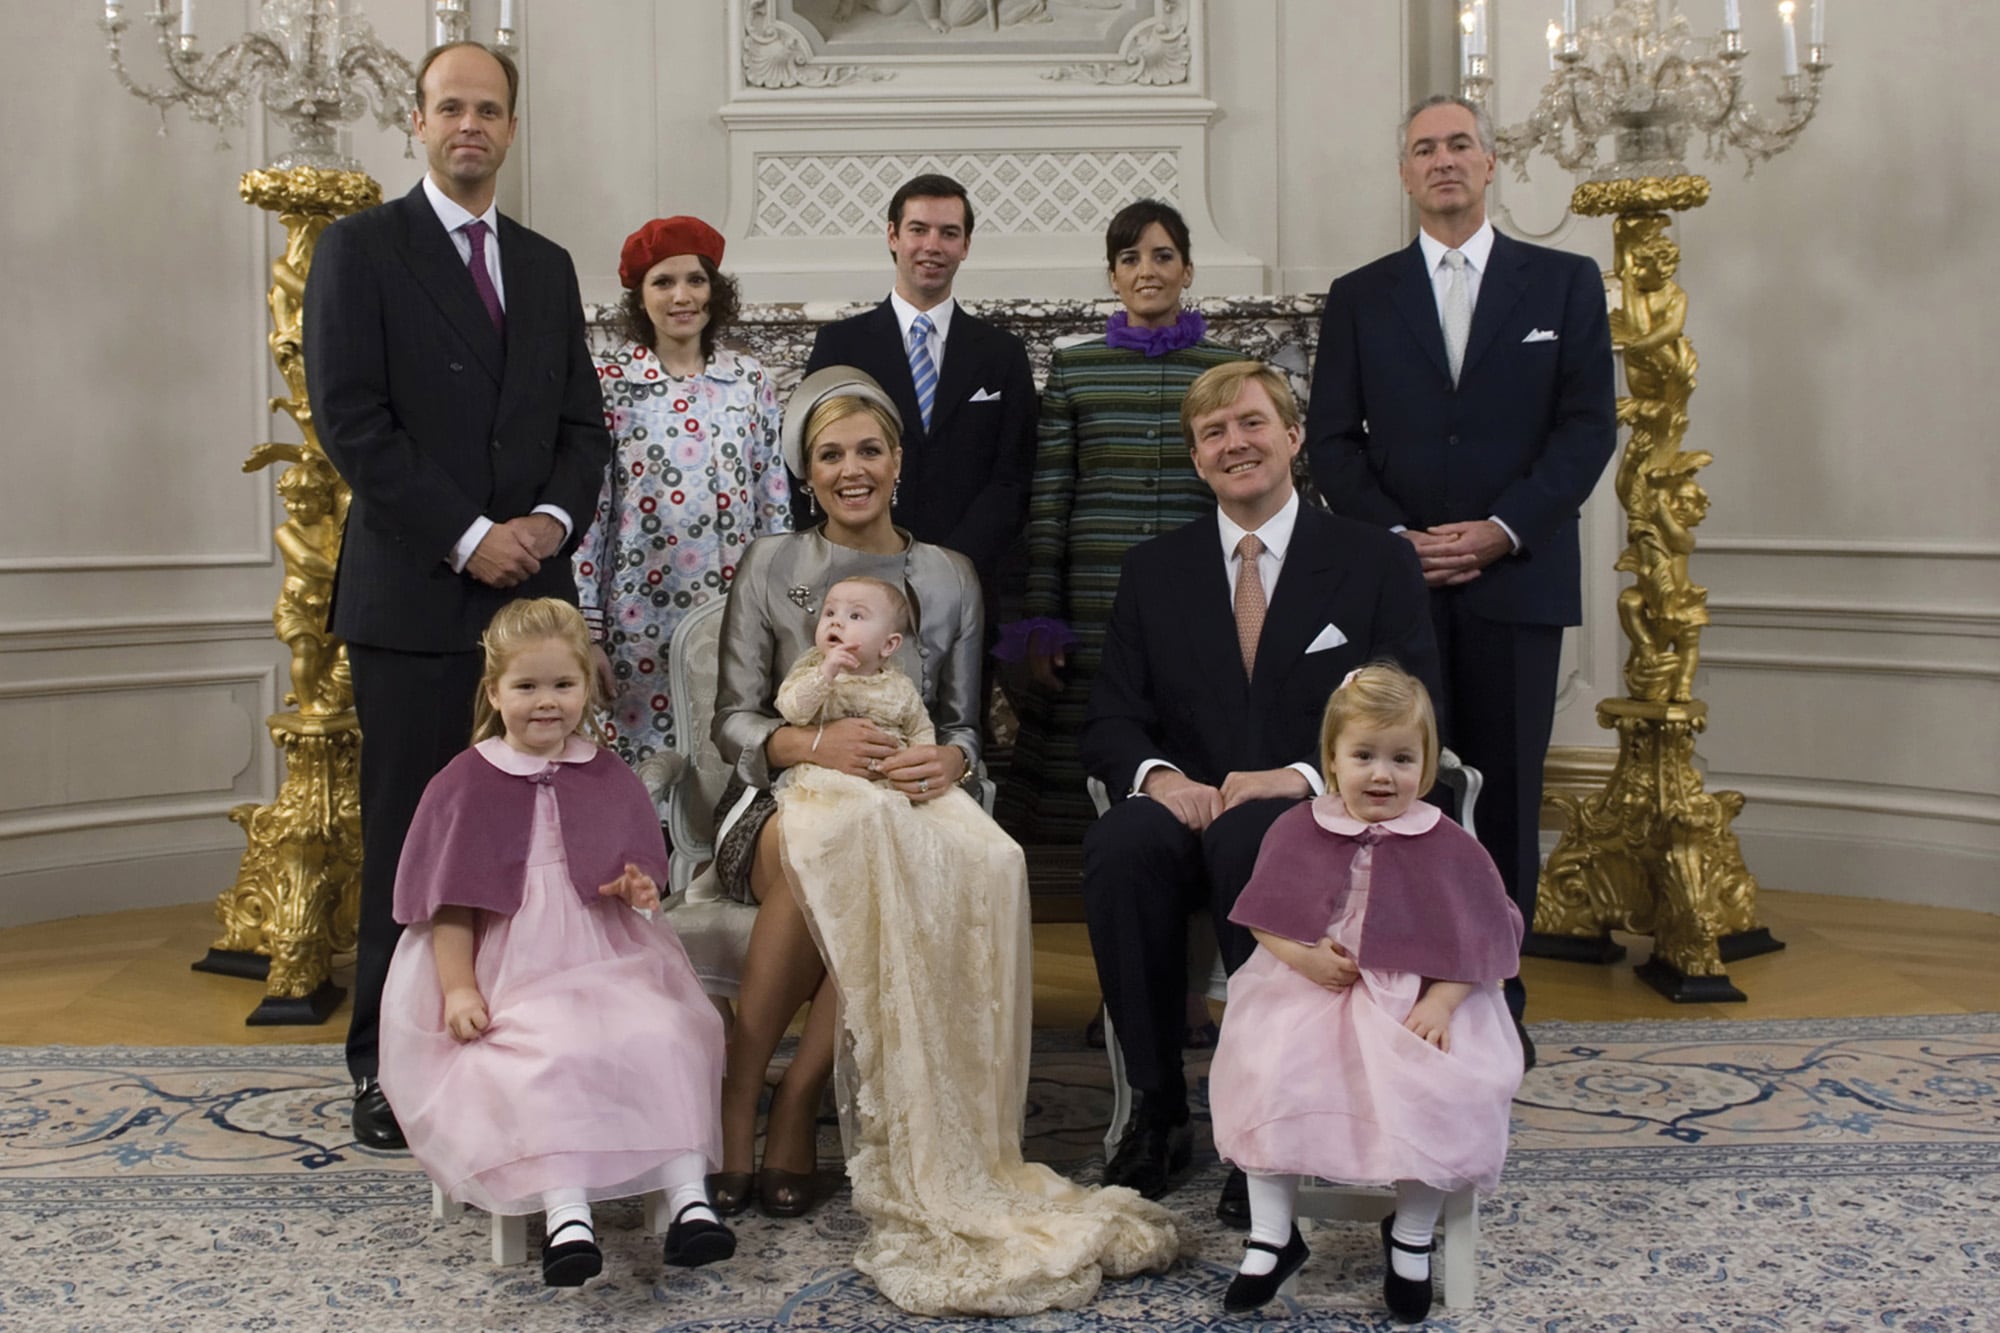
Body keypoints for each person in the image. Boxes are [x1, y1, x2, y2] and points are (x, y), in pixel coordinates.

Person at [709, 369, 1178, 1317]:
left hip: (903, 804)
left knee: (883, 861)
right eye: (831, 454)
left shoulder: (949, 575)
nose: (853, 469)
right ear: (807, 469)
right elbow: (732, 723)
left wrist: (951, 766)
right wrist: (813, 742)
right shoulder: (769, 563)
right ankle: (736, 1098)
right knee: (823, 858)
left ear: (898, 460)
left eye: (870, 449)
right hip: (778, 803)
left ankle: (799, 1098)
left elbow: (968, 724)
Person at [303, 41, 612, 1149]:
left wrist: (548, 525)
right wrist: (469, 533)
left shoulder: (544, 262)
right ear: (418, 123)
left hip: (535, 610)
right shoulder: (358, 250)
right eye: (450, 108)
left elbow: (583, 427)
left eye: (488, 110)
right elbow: (351, 422)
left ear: (510, 129)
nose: (468, 125)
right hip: (416, 603)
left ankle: (525, 1043)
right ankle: (385, 1065)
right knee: (413, 838)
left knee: (536, 840)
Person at [1079, 360, 1441, 1225]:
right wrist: (1159, 779)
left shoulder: (1373, 560)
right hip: (1187, 804)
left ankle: (1263, 1128)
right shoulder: (1152, 571)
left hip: (1322, 807)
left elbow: (1417, 702)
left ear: (1291, 437)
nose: (1234, 444)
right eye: (1213, 433)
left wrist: (1303, 778)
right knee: (1120, 847)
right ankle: (1158, 1112)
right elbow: (1112, 719)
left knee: (1257, 841)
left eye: (1250, 424)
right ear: (1197, 459)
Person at [1305, 94, 1616, 1066]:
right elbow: (1329, 445)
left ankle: (1497, 997)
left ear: (1488, 165)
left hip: (1514, 581)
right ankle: (1399, 990)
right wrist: (1397, 539)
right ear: (1403, 174)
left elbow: (1585, 429)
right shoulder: (1358, 295)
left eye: (1457, 146)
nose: (1441, 161)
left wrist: (1500, 529)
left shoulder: (1563, 284)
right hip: (1395, 589)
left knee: (1509, 798)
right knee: (1403, 796)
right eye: (1422, 149)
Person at [376, 598, 733, 1288]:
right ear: (495, 692)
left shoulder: (606, 772)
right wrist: (457, 987)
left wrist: (636, 887)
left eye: (563, 686)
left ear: (587, 688)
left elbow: (633, 875)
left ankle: (691, 1201)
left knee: (666, 1031)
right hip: (507, 964)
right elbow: (448, 906)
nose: (547, 703)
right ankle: (567, 1213)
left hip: (604, 954)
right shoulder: (464, 782)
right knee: (548, 1052)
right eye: (528, 687)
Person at [1208, 663, 1524, 1321]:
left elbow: (1482, 936)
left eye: (1402, 758)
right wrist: (1304, 956)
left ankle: (1410, 1235)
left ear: (1428, 764)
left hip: (1416, 996)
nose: (1382, 774)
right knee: (1267, 1069)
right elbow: (1262, 912)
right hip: (1310, 985)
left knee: (1438, 1085)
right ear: (1331, 758)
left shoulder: (1448, 844)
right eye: (1364, 756)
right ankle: (1272, 1233)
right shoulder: (1297, 826)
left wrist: (1441, 1001)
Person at [999, 198, 1245, 843]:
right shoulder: (1076, 368)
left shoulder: (1225, 370)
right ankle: (1076, 868)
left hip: (1197, 589)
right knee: (1088, 723)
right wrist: (1043, 617)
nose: (1147, 270)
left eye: (1163, 256)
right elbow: (1050, 500)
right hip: (1093, 593)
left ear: (1187, 270)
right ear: (1112, 276)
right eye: (1130, 258)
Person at [575, 215, 789, 764]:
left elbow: (773, 501)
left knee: (732, 754)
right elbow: (592, 511)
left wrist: (787, 607)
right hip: (638, 616)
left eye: (695, 280)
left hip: (738, 611)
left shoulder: (748, 380)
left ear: (714, 289)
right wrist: (587, 629)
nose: (681, 296)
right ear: (640, 297)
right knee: (644, 768)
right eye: (663, 282)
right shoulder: (608, 383)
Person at [798, 173, 1036, 597]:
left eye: (948, 233)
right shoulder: (839, 346)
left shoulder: (1002, 354)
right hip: (859, 578)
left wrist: (949, 565)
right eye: (918, 229)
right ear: (893, 236)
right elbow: (813, 464)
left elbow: (1012, 479)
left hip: (972, 580)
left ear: (965, 246)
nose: (932, 245)